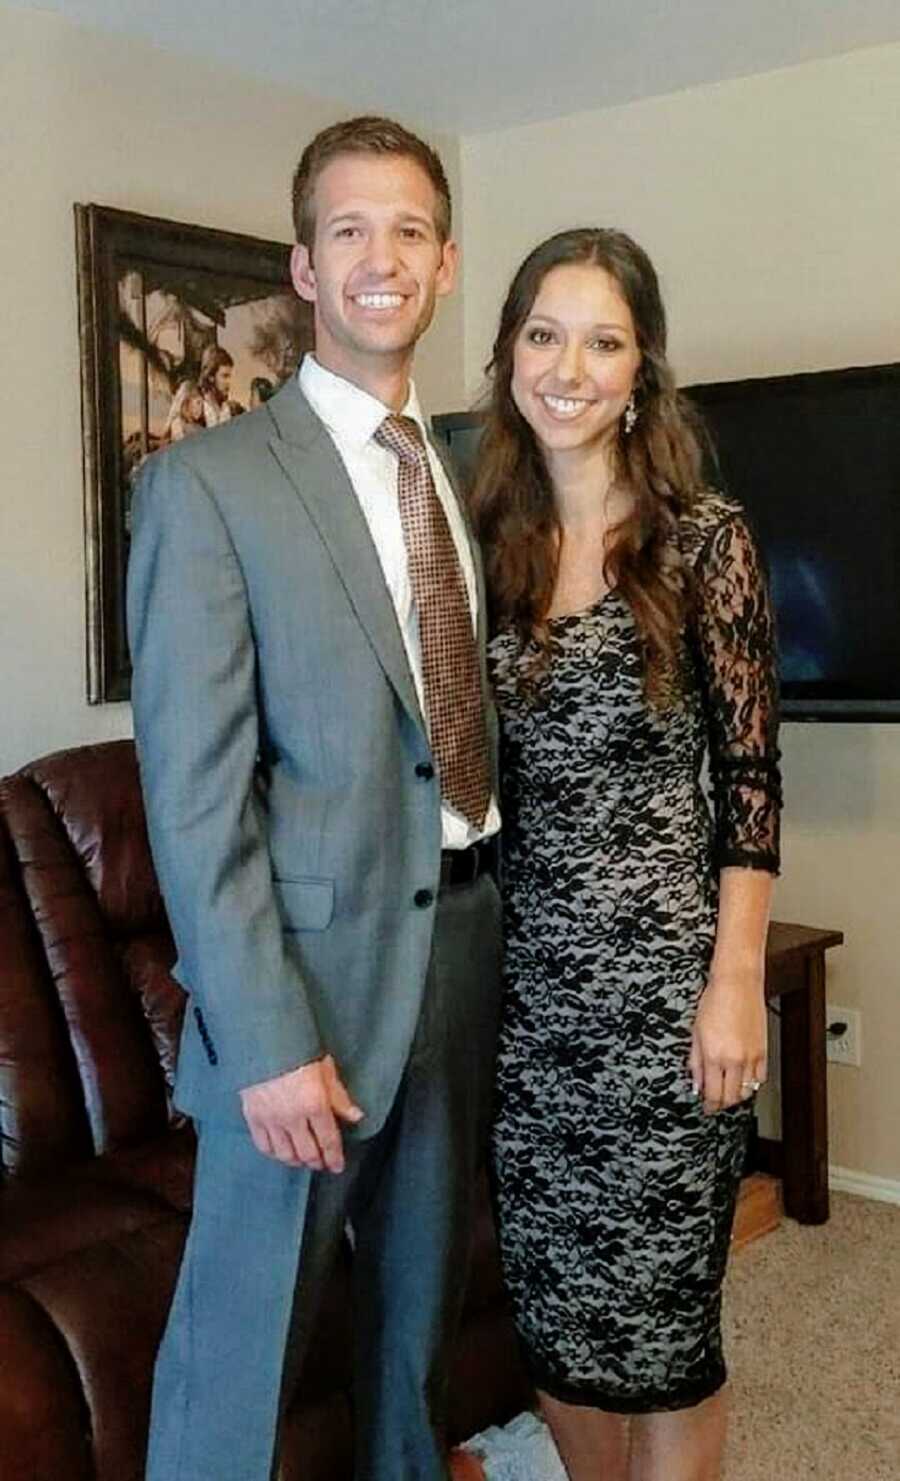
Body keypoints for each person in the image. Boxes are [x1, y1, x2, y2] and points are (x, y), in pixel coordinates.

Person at [127, 115, 502, 1481]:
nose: (380, 257)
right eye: (349, 229)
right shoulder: (206, 487)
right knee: (240, 1359)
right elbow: (194, 794)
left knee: (414, 1341)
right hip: (305, 994)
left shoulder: (464, 471)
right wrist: (269, 1033)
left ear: (446, 262)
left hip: (458, 952)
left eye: (408, 229)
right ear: (302, 265)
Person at [470, 228, 781, 1481]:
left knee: (664, 1343)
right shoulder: (482, 541)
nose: (569, 366)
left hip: (668, 1004)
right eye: (545, 334)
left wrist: (736, 976)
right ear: (508, 356)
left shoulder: (705, 539)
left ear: (641, 368)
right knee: (557, 1332)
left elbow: (752, 783)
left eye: (603, 340)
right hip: (535, 1010)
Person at [197, 343, 243, 425]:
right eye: (224, 376)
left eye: (229, 376)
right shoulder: (198, 412)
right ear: (211, 377)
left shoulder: (234, 411)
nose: (228, 382)